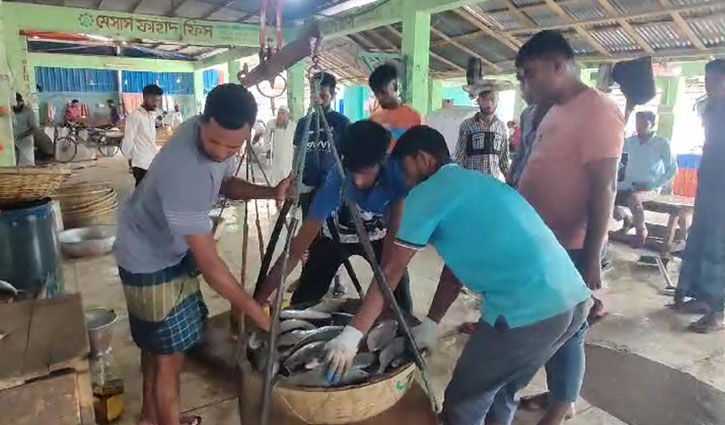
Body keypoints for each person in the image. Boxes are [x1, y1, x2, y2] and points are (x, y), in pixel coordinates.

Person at [323, 126, 592, 425]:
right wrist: (431, 322)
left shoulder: (426, 194)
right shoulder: (476, 183)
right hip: (573, 298)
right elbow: (455, 268)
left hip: (526, 311)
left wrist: (352, 335)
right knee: (502, 390)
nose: (403, 178)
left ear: (424, 159)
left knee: (464, 402)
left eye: (404, 168)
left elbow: (390, 272)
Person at [113, 83, 292, 425]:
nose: (222, 152)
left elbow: (226, 183)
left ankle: (151, 417)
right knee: (168, 360)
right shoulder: (183, 172)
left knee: (157, 347)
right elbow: (211, 267)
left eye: (233, 146)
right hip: (149, 261)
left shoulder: (210, 134)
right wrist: (257, 314)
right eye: (215, 142)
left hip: (166, 250)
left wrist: (271, 192)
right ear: (203, 121)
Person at [515, 30, 624, 423]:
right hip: (546, 241)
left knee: (570, 330)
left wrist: (592, 257)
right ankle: (560, 393)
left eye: (530, 73)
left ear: (559, 65)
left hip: (574, 245)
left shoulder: (598, 111)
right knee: (554, 327)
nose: (526, 84)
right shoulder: (554, 108)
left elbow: (605, 187)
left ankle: (561, 406)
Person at [256, 120, 412, 312]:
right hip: (335, 236)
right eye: (353, 173)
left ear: (382, 162)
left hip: (379, 236)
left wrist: (383, 283)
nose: (358, 181)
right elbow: (295, 251)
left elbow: (395, 232)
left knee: (399, 300)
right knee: (304, 300)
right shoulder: (335, 182)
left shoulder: (397, 177)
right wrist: (260, 299)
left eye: (365, 174)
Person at [673, 59, 725, 333]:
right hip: (710, 185)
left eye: (716, 81)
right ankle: (702, 297)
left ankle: (719, 311)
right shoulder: (711, 109)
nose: (709, 86)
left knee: (719, 248)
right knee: (700, 239)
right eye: (707, 80)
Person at [292, 72, 350, 296]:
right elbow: (298, 152)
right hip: (307, 184)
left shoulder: (341, 123)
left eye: (323, 95)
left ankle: (338, 280)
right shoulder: (304, 123)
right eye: (315, 95)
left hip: (332, 188)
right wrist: (294, 178)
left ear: (332, 95)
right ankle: (307, 276)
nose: (319, 99)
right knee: (308, 235)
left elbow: (347, 156)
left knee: (334, 235)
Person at [614, 111, 678, 247]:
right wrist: (619, 170)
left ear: (652, 124)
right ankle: (627, 218)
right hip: (629, 184)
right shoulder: (630, 142)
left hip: (650, 188)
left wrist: (654, 184)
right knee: (604, 193)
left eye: (645, 123)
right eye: (638, 122)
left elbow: (672, 169)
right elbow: (616, 155)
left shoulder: (662, 143)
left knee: (634, 199)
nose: (640, 126)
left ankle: (641, 231)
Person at [455, 87, 510, 182]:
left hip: (493, 183)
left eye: (492, 99)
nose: (489, 104)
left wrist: (510, 181)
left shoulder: (501, 127)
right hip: (472, 182)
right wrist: (459, 180)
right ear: (478, 101)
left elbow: (504, 160)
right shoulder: (467, 125)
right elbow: (460, 157)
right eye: (484, 99)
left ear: (497, 100)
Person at [368, 63, 421, 146]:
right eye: (376, 94)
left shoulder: (414, 117)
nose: (380, 98)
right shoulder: (374, 120)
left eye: (383, 92)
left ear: (395, 85)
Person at [121, 84, 163, 187]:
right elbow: (128, 140)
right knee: (142, 191)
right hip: (141, 164)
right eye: (153, 100)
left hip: (151, 160)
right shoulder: (135, 116)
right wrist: (130, 157)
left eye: (158, 101)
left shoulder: (152, 115)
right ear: (145, 98)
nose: (156, 104)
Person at [263, 106, 296, 185]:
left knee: (287, 176)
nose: (280, 116)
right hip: (276, 157)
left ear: (288, 116)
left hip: (288, 157)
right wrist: (267, 149)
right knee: (275, 178)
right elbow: (266, 137)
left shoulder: (293, 126)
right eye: (279, 113)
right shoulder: (272, 123)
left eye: (283, 114)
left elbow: (297, 141)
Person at [12, 93, 38, 166]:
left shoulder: (28, 112)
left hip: (26, 142)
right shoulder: (11, 112)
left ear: (21, 102)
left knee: (27, 164)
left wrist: (21, 136)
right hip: (14, 142)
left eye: (17, 103)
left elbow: (35, 129)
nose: (16, 105)